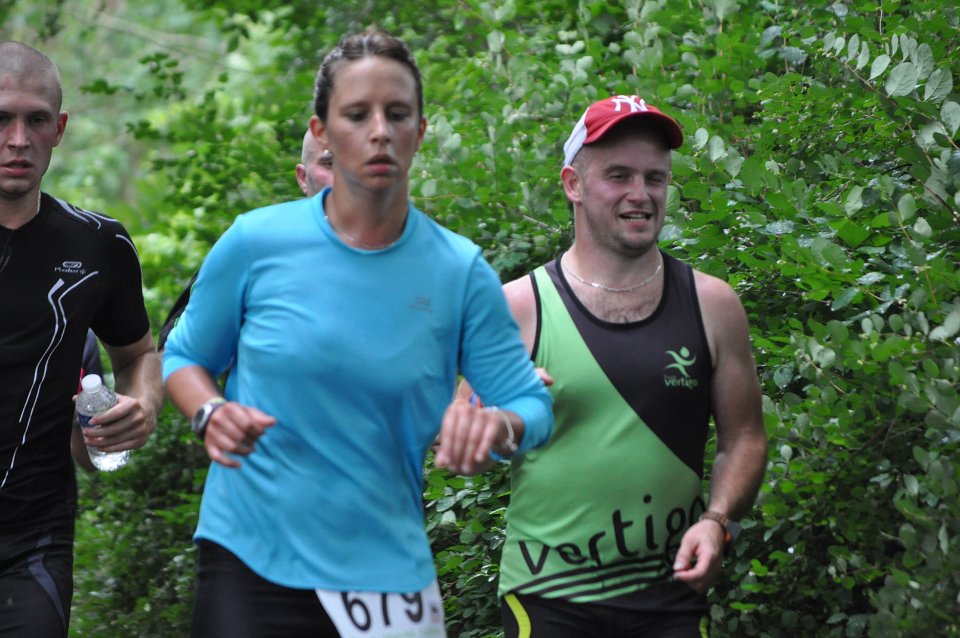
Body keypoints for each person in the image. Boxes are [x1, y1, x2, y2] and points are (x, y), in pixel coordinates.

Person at [162, 29, 553, 638]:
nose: (379, 132)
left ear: (420, 131)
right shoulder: (255, 242)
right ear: (322, 131)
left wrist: (498, 426)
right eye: (356, 114)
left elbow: (531, 403)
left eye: (397, 114)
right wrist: (210, 412)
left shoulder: (457, 270)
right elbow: (185, 355)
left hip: (386, 571)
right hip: (252, 553)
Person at [465, 95, 767, 637]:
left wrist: (719, 521)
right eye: (619, 176)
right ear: (573, 185)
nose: (640, 194)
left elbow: (744, 438)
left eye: (655, 178)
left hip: (671, 595)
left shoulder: (712, 304)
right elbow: (462, 449)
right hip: (549, 595)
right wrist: (497, 427)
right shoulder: (516, 309)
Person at [0, 42, 162, 637]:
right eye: (1, 118)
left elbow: (138, 356)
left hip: (31, 543)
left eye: (36, 120)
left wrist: (142, 405)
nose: (18, 140)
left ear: (60, 129)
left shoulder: (98, 246)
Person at [157, 129, 334, 351]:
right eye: (329, 164)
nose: (344, 177)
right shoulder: (254, 244)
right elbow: (173, 353)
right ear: (303, 178)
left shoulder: (379, 255)